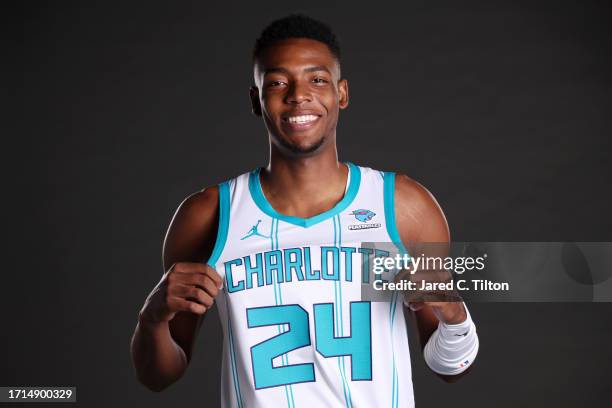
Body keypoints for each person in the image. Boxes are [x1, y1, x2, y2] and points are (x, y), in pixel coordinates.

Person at [131, 14, 479, 407]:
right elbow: (157, 376)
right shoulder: (208, 214)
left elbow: (450, 367)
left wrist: (453, 310)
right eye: (278, 82)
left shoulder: (403, 206)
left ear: (341, 94)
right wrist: (152, 317)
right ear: (255, 99)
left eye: (317, 79)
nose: (298, 95)